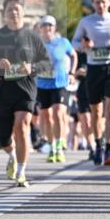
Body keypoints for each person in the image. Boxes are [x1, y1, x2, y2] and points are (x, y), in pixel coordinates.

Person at [0, 0, 50, 188]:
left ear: (23, 12)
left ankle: (21, 172)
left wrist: (32, 67)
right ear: (4, 13)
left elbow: (46, 63)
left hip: (25, 90)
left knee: (22, 126)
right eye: (10, 9)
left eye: (17, 9)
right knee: (4, 138)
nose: (14, 12)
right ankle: (12, 155)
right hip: (2, 91)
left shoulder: (33, 37)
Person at [72, 0, 110, 166]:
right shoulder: (86, 22)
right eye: (97, 2)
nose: (101, 5)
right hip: (94, 68)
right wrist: (84, 46)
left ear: (109, 2)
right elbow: (74, 42)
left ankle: (109, 149)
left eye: (104, 2)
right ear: (93, 4)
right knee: (96, 112)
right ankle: (99, 145)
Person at [36, 15, 76, 163]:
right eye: (44, 25)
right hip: (42, 84)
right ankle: (52, 146)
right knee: (46, 117)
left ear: (54, 28)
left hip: (59, 83)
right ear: (40, 29)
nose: (47, 28)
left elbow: (74, 55)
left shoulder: (63, 42)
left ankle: (59, 146)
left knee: (58, 113)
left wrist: (72, 72)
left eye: (50, 25)